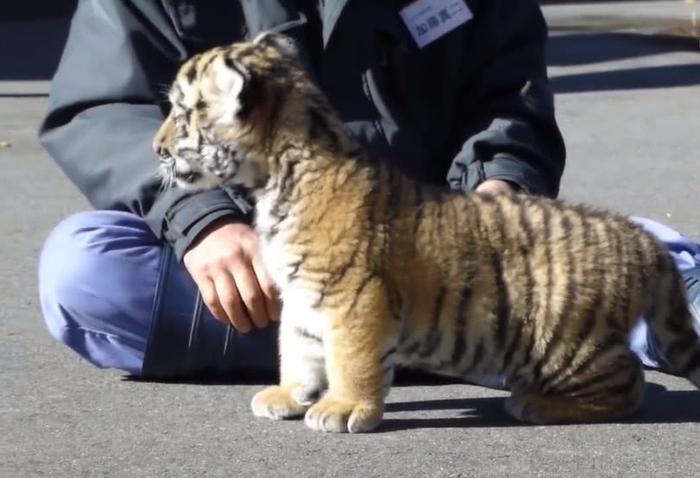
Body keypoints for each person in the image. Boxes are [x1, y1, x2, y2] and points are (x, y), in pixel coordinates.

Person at [38, 0, 699, 381]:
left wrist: (501, 185)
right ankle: (467, 348)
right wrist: (200, 221)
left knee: (622, 252)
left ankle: (428, 341)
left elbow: (507, 93)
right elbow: (105, 107)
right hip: (266, 269)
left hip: (446, 254)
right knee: (86, 271)